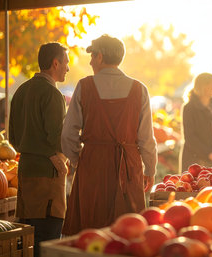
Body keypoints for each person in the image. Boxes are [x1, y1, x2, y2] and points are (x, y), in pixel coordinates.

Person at [61, 34, 157, 235]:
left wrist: (78, 160)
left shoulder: (84, 86)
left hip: (93, 163)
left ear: (100, 57)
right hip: (129, 165)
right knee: (129, 231)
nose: (89, 61)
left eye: (92, 55)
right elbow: (146, 137)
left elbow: (68, 132)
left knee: (90, 227)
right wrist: (150, 167)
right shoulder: (140, 89)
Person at [9, 42, 69, 257]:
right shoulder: (52, 94)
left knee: (27, 240)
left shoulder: (22, 91)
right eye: (66, 62)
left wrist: (37, 150)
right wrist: (54, 154)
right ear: (55, 63)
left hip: (24, 173)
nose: (68, 68)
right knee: (47, 240)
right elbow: (57, 138)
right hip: (47, 177)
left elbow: (13, 138)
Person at [179, 73, 212, 172]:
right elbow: (189, 137)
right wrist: (208, 153)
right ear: (203, 86)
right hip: (195, 160)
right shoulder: (189, 108)